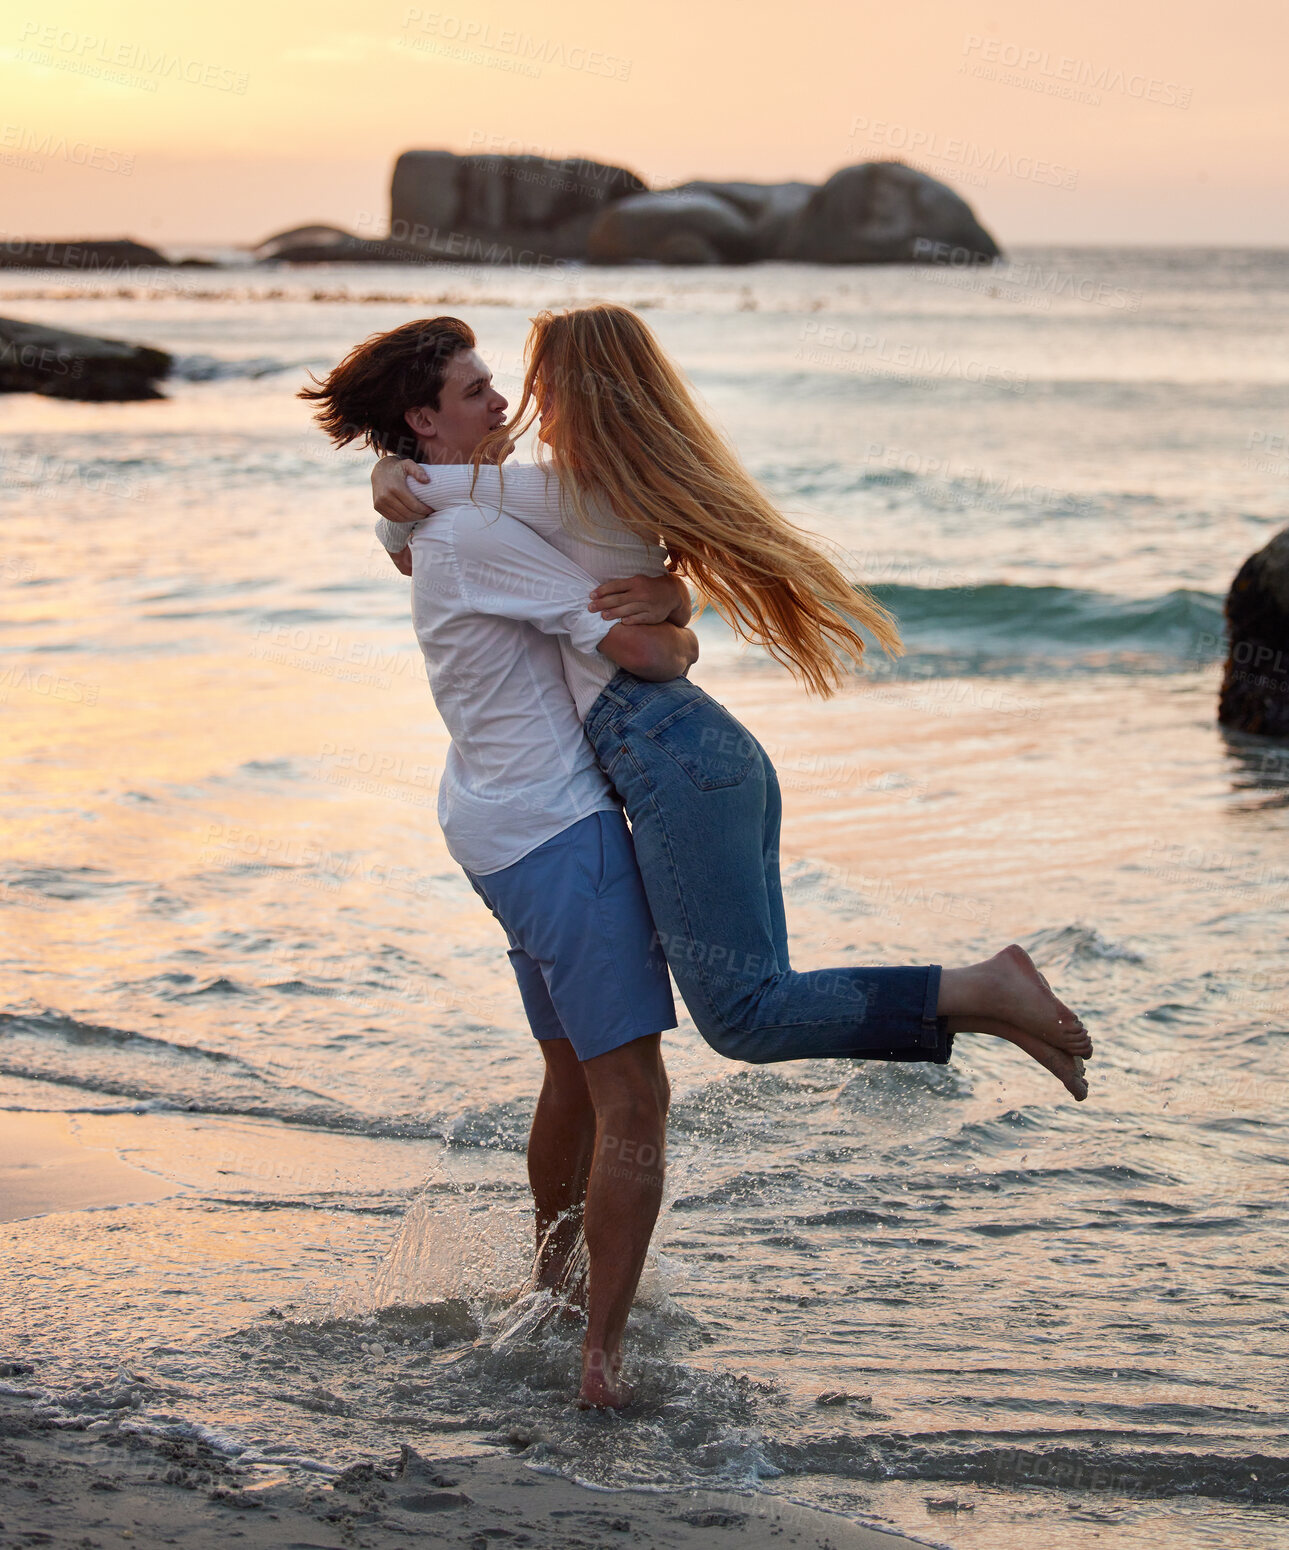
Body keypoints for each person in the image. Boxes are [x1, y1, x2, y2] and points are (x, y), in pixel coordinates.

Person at [369, 304, 1094, 1100]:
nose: (516, 402)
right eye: (494, 389)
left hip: (666, 750)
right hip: (697, 747)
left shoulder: (554, 492)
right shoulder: (608, 482)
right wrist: (674, 600)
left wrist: (385, 479)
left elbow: (418, 506)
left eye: (532, 382)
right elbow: (435, 525)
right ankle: (982, 1006)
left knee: (748, 1015)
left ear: (576, 390)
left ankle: (978, 989)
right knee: (757, 1001)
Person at [299, 317, 700, 1409]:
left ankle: (553, 1289)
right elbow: (642, 651)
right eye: (477, 392)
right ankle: (599, 1359)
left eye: (497, 387)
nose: (502, 406)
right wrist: (675, 614)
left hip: (491, 817)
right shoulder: (474, 531)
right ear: (424, 417)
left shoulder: (445, 509)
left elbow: (441, 514)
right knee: (635, 1096)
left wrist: (668, 590)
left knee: (572, 1072)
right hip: (554, 830)